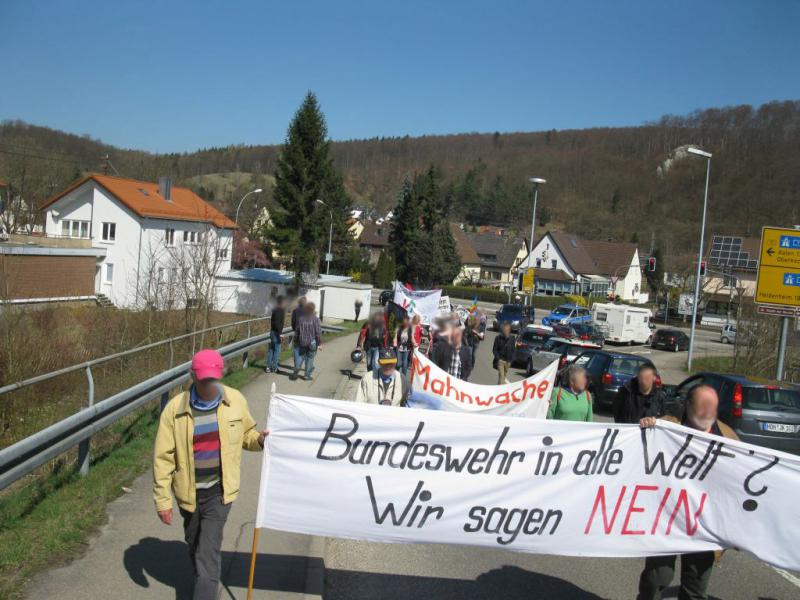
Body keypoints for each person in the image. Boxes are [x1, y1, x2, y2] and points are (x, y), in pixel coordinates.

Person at [153, 349, 268, 600]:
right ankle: (203, 580)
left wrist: (259, 440)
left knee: (208, 553)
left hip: (220, 493)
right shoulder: (175, 410)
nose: (208, 384)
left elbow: (247, 435)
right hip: (189, 495)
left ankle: (204, 588)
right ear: (193, 376)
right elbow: (163, 458)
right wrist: (163, 500)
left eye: (213, 378)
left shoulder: (235, 401)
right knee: (195, 545)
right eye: (204, 379)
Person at [637, 384, 739, 600]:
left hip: (704, 526)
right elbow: (640, 456)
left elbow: (739, 485)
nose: (707, 410)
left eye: (712, 405)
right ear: (688, 405)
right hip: (666, 519)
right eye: (702, 405)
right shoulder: (666, 426)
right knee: (657, 578)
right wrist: (647, 428)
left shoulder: (729, 438)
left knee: (695, 588)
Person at [293, 301, 322, 380]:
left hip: (302, 342)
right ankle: (307, 375)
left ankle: (297, 366)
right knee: (310, 359)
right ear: (313, 309)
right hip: (312, 342)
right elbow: (318, 333)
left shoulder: (300, 319)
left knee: (301, 356)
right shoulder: (316, 319)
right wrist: (319, 343)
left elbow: (297, 331)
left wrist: (295, 341)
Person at [266, 295, 285, 373]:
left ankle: (268, 367)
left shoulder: (274, 309)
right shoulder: (280, 310)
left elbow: (273, 321)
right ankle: (274, 368)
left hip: (272, 331)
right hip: (277, 333)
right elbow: (277, 323)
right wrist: (280, 333)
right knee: (277, 351)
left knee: (271, 350)